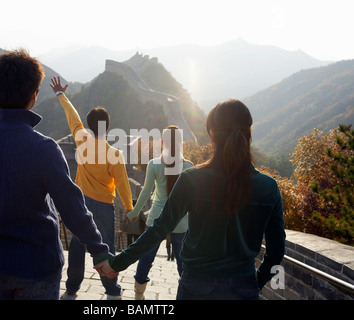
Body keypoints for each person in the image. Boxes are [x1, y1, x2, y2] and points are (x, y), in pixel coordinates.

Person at [0, 49, 112, 300]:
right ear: (34, 95)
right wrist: (98, 250)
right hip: (39, 267)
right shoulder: (44, 148)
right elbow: (72, 207)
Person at [99, 99, 286, 300]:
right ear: (249, 133)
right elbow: (276, 252)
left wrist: (117, 263)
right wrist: (253, 284)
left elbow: (160, 228)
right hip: (242, 287)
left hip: (196, 287)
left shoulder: (192, 179)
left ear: (212, 135)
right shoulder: (269, 188)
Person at [50, 76, 133, 300]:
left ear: (89, 126)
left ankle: (71, 290)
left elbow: (73, 118)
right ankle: (112, 291)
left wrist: (61, 95)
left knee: (77, 247)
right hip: (105, 207)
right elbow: (124, 185)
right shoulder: (115, 155)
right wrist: (129, 207)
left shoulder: (82, 140)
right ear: (108, 126)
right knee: (105, 249)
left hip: (80, 204)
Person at [125, 125, 193, 300]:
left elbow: (146, 192)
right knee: (182, 264)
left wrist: (134, 213)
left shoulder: (154, 164)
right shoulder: (188, 167)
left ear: (163, 142)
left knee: (146, 258)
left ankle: (138, 295)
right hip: (180, 221)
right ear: (180, 143)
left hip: (156, 218)